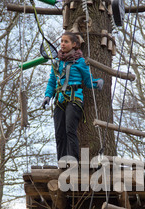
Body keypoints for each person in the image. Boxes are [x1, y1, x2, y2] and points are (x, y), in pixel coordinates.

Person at [42, 32, 104, 162]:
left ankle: (73, 160)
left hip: (74, 99)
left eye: (66, 42)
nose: (63, 44)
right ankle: (62, 161)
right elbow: (52, 81)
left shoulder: (80, 62)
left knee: (70, 130)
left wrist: (96, 83)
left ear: (74, 45)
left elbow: (87, 80)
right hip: (59, 100)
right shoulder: (57, 62)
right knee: (59, 133)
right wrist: (47, 96)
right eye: (62, 41)